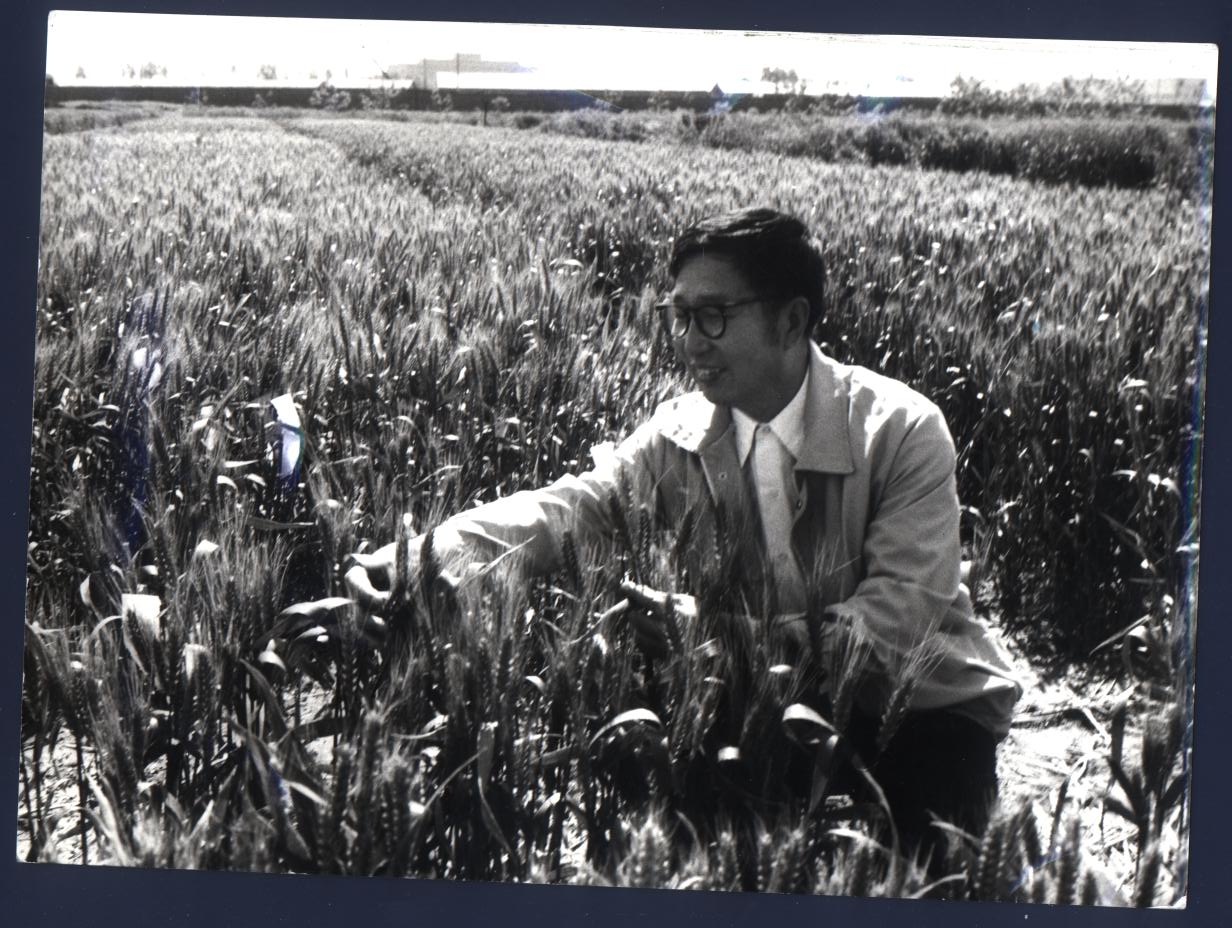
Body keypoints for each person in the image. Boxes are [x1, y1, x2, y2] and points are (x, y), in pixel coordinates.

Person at [346, 206, 1022, 860]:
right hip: (752, 696)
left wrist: (724, 636)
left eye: (714, 315)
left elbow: (899, 619)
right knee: (691, 834)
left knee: (943, 872)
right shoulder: (677, 434)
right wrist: (424, 555)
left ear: (792, 320)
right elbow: (574, 508)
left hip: (917, 710)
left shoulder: (901, 429)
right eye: (679, 316)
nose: (690, 341)